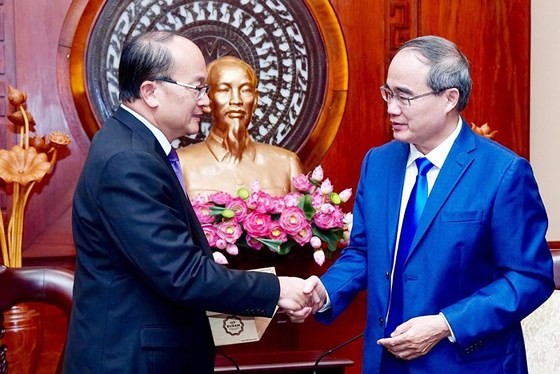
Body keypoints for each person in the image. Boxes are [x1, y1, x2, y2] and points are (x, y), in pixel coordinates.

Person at [292, 35, 555, 373]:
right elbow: (363, 253)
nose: (391, 108)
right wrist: (325, 291)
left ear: (449, 98)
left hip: (466, 362)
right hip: (385, 361)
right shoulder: (378, 163)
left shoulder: (503, 173)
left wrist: (445, 325)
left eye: (404, 96)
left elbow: (528, 277)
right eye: (388, 93)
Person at [64, 31, 316, 374]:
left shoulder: (134, 147)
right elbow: (182, 274)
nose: (205, 101)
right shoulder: (128, 160)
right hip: (132, 362)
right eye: (197, 88)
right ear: (151, 91)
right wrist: (278, 288)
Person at [177, 56, 303, 197]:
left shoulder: (287, 164)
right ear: (208, 99)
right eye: (224, 90)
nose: (236, 100)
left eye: (245, 90)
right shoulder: (181, 165)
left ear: (255, 100)